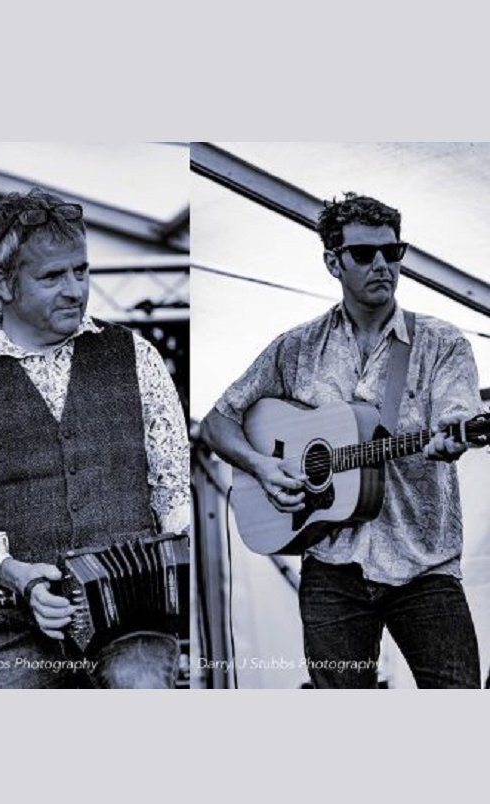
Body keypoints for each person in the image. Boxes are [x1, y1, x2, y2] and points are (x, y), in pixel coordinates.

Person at [199, 192, 481, 688]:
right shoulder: (296, 348)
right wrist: (264, 467)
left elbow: (458, 411)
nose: (382, 265)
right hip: (332, 565)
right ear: (333, 261)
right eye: (364, 254)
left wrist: (452, 436)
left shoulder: (442, 342)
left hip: (425, 563)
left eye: (392, 252)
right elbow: (218, 421)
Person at [0, 188, 191, 688]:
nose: (75, 289)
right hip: (10, 631)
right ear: (3, 282)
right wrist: (15, 575)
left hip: (133, 623)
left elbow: (175, 492)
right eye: (52, 276)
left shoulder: (137, 356)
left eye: (81, 271)